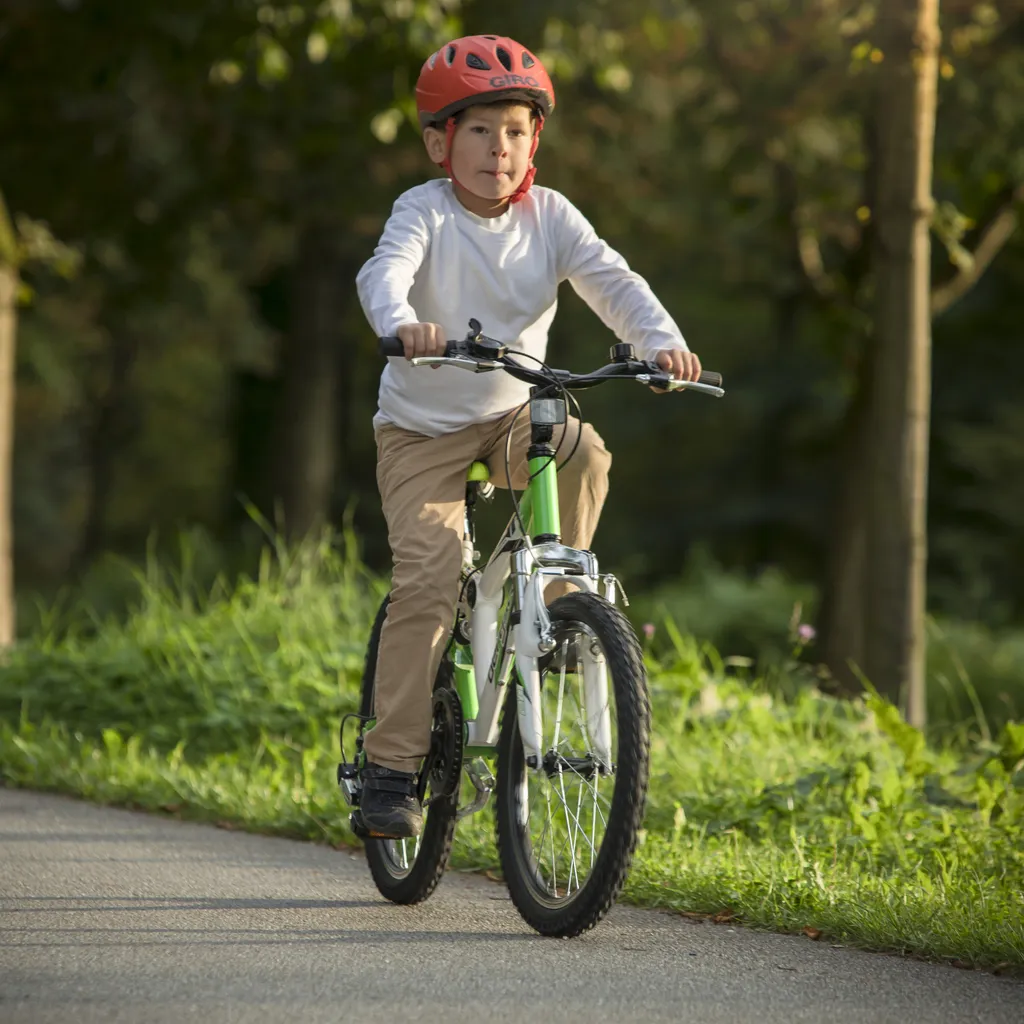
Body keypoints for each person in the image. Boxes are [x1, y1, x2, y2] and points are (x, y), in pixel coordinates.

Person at [355, 34, 702, 838]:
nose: (498, 149)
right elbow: (386, 270)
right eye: (478, 131)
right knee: (430, 575)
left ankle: (555, 606)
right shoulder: (424, 211)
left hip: (514, 416)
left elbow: (612, 279)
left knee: (584, 448)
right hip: (421, 429)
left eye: (514, 131)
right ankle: (393, 764)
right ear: (441, 142)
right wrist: (402, 324)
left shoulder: (551, 217)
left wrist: (660, 343)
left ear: (533, 142)